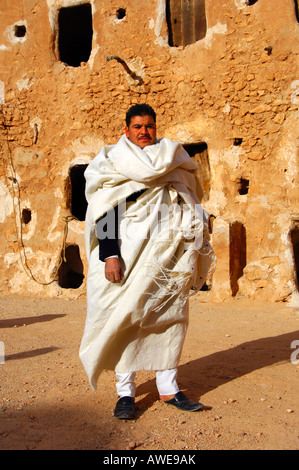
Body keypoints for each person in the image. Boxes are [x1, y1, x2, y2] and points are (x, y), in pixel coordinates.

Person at [79, 104, 214, 419]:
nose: (144, 132)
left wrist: (195, 229)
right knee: (124, 319)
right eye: (137, 126)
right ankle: (125, 393)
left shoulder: (172, 157)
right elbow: (105, 211)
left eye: (149, 126)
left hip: (166, 258)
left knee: (170, 317)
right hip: (125, 255)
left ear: (155, 127)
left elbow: (188, 198)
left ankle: (168, 387)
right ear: (127, 130)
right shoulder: (112, 162)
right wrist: (110, 255)